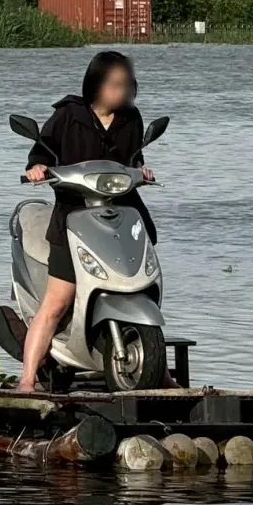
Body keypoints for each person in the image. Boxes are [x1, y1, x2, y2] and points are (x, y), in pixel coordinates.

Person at [18, 51, 157, 393]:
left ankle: (158, 370)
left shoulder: (131, 119)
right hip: (73, 212)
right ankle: (27, 379)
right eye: (115, 85)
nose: (122, 92)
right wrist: (36, 168)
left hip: (120, 212)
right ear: (96, 85)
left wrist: (141, 170)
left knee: (143, 282)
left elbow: (133, 157)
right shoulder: (68, 115)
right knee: (57, 301)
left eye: (127, 85)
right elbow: (42, 151)